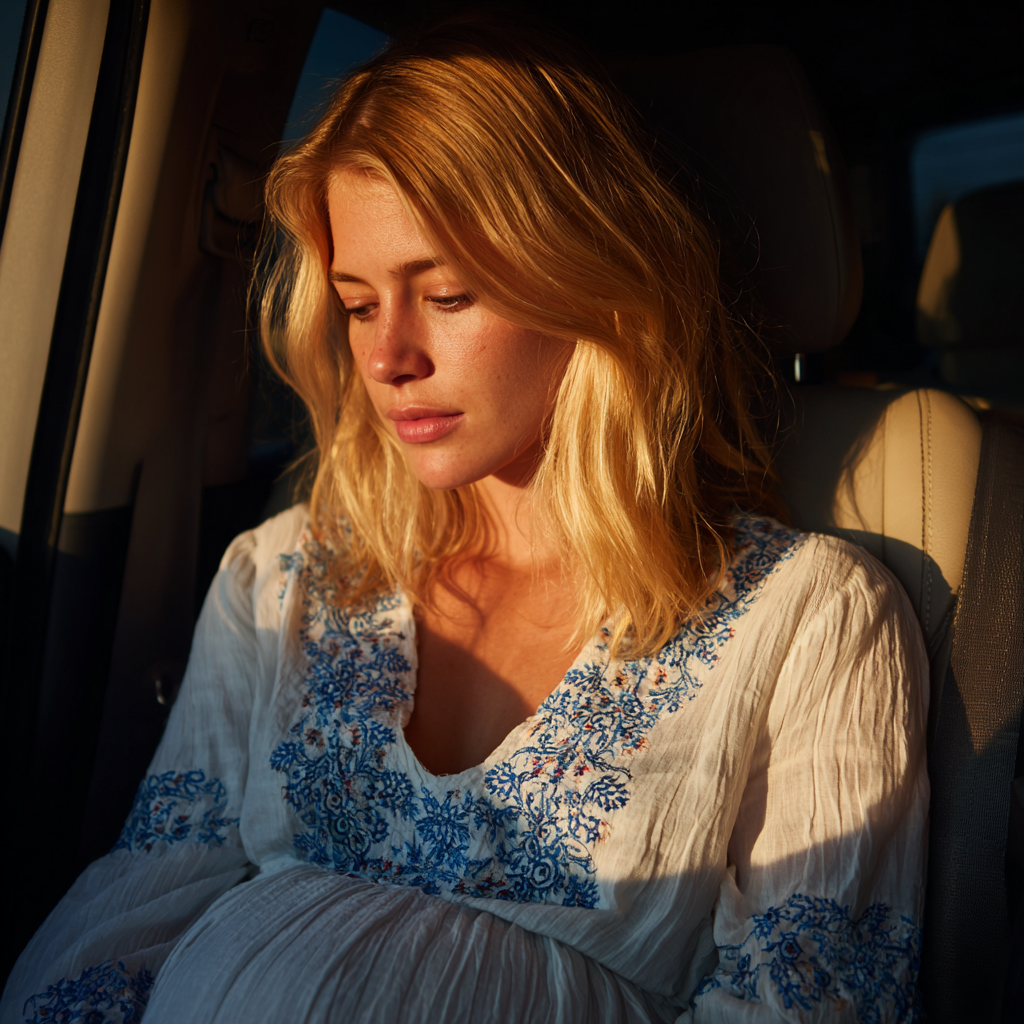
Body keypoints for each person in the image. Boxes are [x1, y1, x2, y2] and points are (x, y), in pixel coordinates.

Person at [1, 19, 928, 1024]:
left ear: (596, 282)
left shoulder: (808, 619)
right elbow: (139, 904)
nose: (389, 354)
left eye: (446, 292)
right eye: (357, 304)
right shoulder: (281, 578)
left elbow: (805, 1003)